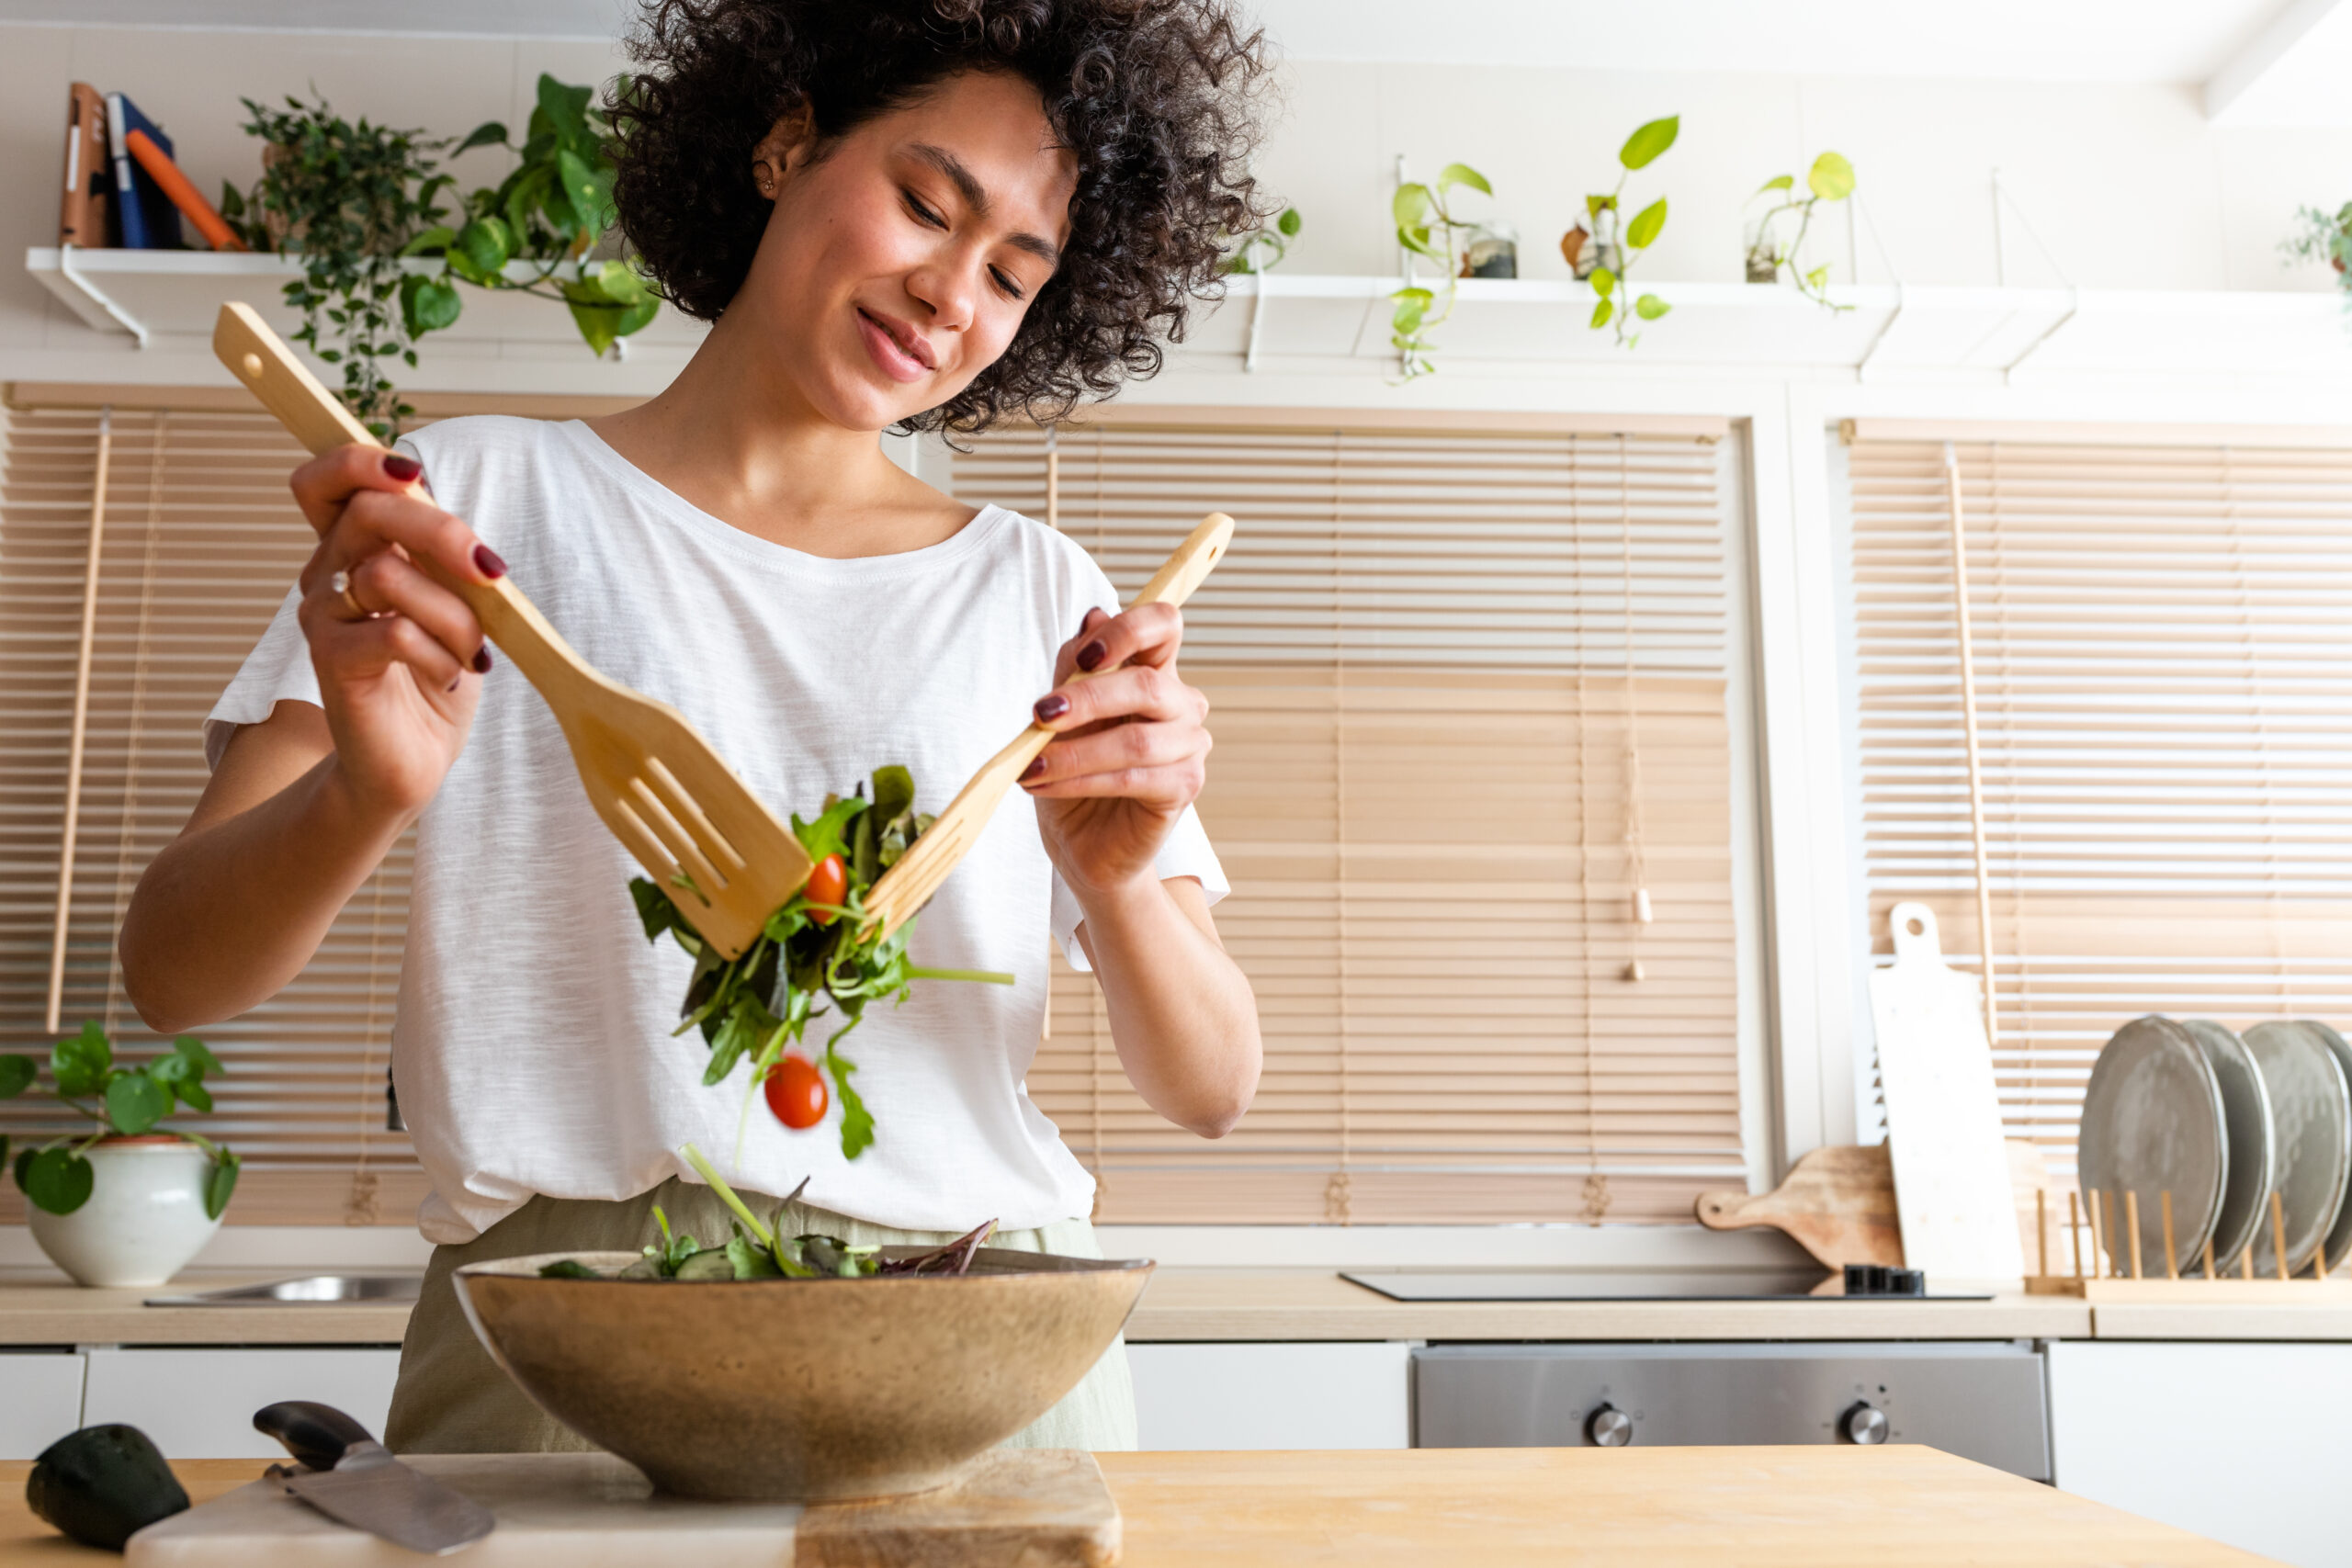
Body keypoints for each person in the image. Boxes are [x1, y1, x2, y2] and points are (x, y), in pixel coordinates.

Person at [118, 0, 1268, 1453]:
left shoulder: (1040, 591)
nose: (948, 295)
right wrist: (365, 793)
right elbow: (172, 978)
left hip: (976, 1333)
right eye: (926, 204)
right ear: (786, 142)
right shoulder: (465, 511)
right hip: (562, 1329)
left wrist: (1114, 881)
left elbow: (1215, 1083)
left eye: (1012, 274)